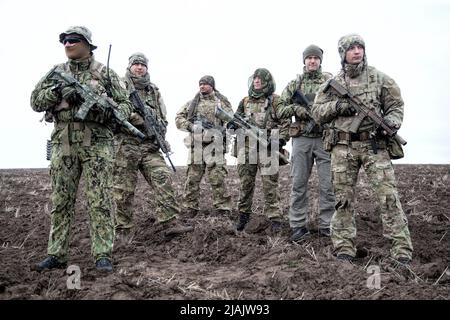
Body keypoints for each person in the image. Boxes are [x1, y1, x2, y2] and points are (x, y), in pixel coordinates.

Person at [30, 26, 133, 272]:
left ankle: (102, 254)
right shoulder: (56, 73)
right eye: (64, 40)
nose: (67, 43)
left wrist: (111, 111)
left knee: (100, 200)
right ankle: (56, 254)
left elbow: (126, 105)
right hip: (64, 142)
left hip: (97, 143)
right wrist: (57, 92)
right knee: (61, 200)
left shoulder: (105, 73)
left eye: (73, 40)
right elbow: (35, 101)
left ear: (87, 44)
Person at [311, 34, 413, 264]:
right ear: (343, 53)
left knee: (388, 197)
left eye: (360, 47)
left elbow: (396, 105)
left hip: (374, 145)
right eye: (352, 48)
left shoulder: (379, 78)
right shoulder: (331, 84)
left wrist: (393, 123)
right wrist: (338, 106)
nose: (357, 51)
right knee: (343, 200)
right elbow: (316, 112)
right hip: (342, 147)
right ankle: (344, 246)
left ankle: (401, 248)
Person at [112, 52, 180, 232]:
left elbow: (162, 116)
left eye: (143, 64)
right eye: (136, 64)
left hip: (150, 146)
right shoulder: (118, 85)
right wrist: (136, 118)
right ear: (130, 66)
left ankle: (169, 222)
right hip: (126, 145)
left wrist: (160, 132)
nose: (140, 67)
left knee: (162, 177)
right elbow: (113, 108)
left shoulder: (153, 90)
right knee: (123, 190)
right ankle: (123, 229)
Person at [276, 45, 335, 242]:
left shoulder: (330, 83)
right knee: (299, 183)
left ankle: (327, 225)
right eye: (308, 58)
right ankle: (298, 225)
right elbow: (280, 109)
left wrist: (324, 111)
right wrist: (298, 110)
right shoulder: (295, 83)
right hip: (301, 140)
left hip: (325, 139)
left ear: (320, 61)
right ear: (304, 61)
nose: (312, 61)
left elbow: (340, 105)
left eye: (315, 58)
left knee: (328, 185)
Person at [233, 68, 290, 233]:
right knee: (245, 184)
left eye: (260, 79)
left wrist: (279, 140)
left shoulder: (275, 101)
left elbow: (286, 123)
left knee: (270, 186)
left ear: (267, 81)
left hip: (268, 149)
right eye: (255, 78)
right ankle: (243, 216)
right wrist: (232, 125)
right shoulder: (244, 101)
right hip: (246, 148)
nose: (257, 81)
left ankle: (275, 218)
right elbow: (234, 119)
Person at [175, 76, 233, 218]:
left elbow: (231, 120)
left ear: (212, 85)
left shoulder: (222, 103)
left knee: (217, 178)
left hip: (215, 146)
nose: (202, 86)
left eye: (205, 84)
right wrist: (191, 126)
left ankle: (222, 208)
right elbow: (178, 119)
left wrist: (221, 131)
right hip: (197, 146)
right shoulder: (192, 104)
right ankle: (190, 207)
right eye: (200, 84)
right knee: (192, 178)